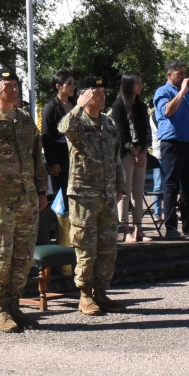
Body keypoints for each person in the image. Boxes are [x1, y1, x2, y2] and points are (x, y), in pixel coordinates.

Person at [0, 72, 47, 332]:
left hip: (26, 198)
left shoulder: (26, 121)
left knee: (23, 256)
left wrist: (41, 191)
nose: (13, 90)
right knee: (1, 255)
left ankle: (14, 303)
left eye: (16, 85)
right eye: (7, 86)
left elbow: (37, 156)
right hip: (0, 200)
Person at [59, 76, 126, 315]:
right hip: (84, 195)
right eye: (96, 92)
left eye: (103, 92)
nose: (102, 96)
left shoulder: (108, 123)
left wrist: (120, 185)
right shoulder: (77, 121)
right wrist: (78, 106)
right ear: (86, 95)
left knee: (108, 248)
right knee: (86, 248)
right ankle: (85, 295)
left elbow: (116, 157)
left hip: (107, 194)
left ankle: (101, 291)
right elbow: (64, 128)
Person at [153, 61, 189, 239]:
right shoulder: (163, 92)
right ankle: (171, 226)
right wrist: (181, 92)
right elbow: (168, 111)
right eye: (180, 74)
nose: (184, 77)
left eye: (185, 73)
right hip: (173, 144)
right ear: (169, 74)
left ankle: (188, 226)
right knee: (172, 185)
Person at [110, 72, 151, 243]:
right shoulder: (118, 106)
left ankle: (138, 229)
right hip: (126, 153)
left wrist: (143, 151)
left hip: (141, 153)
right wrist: (134, 152)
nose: (140, 86)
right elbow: (121, 133)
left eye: (141, 83)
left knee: (138, 192)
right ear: (128, 85)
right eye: (137, 83)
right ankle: (125, 230)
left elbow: (147, 130)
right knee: (124, 192)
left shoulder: (141, 105)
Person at [41, 70, 76, 202]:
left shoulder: (76, 105)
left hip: (75, 155)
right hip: (60, 156)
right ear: (58, 86)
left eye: (74, 84)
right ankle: (60, 221)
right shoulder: (50, 108)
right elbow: (46, 136)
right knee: (61, 194)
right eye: (69, 84)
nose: (73, 87)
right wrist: (53, 162)